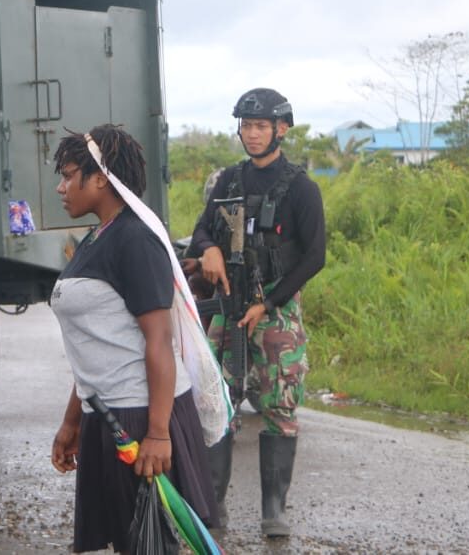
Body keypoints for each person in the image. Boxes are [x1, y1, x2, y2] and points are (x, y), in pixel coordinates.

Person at [49, 125, 218, 554]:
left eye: (69, 175)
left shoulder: (135, 239)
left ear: (101, 178)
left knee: (149, 545)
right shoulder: (98, 237)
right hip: (105, 413)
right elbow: (95, 345)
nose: (60, 186)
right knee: (132, 544)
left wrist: (159, 434)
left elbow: (159, 341)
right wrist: (72, 420)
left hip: (141, 417)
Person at [186, 88, 326, 538]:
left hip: (276, 310)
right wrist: (207, 250)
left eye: (261, 126)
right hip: (229, 305)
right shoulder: (229, 180)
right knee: (215, 401)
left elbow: (314, 256)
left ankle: (273, 511)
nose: (252, 134)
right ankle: (214, 506)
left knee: (279, 405)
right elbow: (202, 230)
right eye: (246, 126)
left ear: (281, 129)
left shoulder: (300, 187)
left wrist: (267, 304)